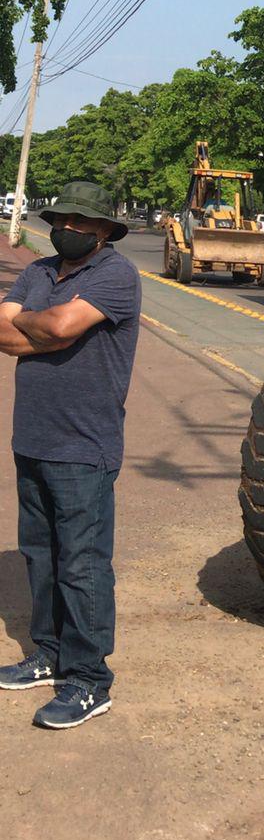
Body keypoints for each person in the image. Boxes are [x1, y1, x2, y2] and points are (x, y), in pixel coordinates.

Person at [0, 182, 140, 729]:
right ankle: (50, 654)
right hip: (32, 437)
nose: (71, 229)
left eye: (84, 223)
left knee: (82, 564)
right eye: (64, 220)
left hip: (85, 443)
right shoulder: (38, 270)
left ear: (105, 230)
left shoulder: (115, 274)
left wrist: (36, 323)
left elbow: (53, 325)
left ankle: (88, 680)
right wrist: (49, 329)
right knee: (41, 554)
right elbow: (9, 333)